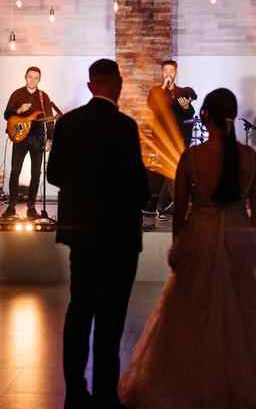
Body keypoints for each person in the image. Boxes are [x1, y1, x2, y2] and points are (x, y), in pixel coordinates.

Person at [119, 88, 256, 409]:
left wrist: (178, 245)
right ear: (232, 115)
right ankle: (241, 383)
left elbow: (180, 210)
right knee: (242, 312)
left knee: (191, 309)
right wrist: (247, 236)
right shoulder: (250, 157)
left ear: (205, 117)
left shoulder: (191, 157)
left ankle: (189, 382)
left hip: (199, 234)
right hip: (237, 235)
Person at [47, 59, 150, 409]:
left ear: (91, 85)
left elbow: (54, 175)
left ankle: (75, 393)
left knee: (80, 310)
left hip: (82, 231)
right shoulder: (125, 126)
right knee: (111, 317)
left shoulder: (68, 123)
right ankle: (106, 395)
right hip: (119, 233)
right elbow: (138, 186)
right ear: (118, 84)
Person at [147, 60, 197, 217]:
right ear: (162, 73)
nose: (168, 73)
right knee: (172, 171)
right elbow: (153, 106)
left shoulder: (181, 92)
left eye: (171, 70)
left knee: (173, 171)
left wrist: (186, 107)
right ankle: (174, 206)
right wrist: (164, 88)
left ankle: (162, 207)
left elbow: (190, 114)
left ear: (176, 73)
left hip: (179, 139)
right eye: (166, 70)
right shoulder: (156, 91)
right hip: (162, 140)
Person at [2, 66, 54, 219]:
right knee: (15, 171)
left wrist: (50, 138)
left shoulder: (43, 97)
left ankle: (31, 207)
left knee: (36, 173)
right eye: (30, 77)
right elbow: (7, 115)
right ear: (25, 77)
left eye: (36, 78)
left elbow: (50, 119)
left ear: (39, 80)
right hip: (20, 136)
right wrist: (19, 110)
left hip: (38, 137)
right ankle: (11, 206)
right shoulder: (17, 93)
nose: (32, 80)